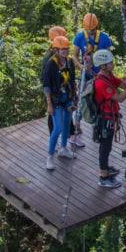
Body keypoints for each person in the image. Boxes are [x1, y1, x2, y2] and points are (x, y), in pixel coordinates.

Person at [70, 13, 113, 147]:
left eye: (93, 29)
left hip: (99, 75)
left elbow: (109, 57)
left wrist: (108, 74)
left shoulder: (104, 38)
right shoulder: (80, 37)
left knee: (100, 102)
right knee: (83, 102)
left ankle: (98, 128)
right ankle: (75, 131)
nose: (91, 32)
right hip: (86, 74)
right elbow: (75, 55)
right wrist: (81, 66)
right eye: (89, 30)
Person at [92, 49, 126, 188]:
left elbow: (123, 84)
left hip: (111, 116)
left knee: (107, 146)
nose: (112, 64)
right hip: (105, 119)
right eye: (110, 63)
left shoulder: (108, 76)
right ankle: (103, 177)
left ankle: (106, 169)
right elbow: (120, 98)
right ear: (102, 65)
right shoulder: (101, 83)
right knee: (105, 147)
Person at [41, 35, 77, 170]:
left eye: (67, 49)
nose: (65, 52)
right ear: (56, 50)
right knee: (58, 128)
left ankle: (63, 148)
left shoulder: (69, 62)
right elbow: (46, 85)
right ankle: (49, 157)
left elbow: (72, 81)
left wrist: (74, 98)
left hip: (67, 97)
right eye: (62, 50)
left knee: (67, 123)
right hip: (56, 99)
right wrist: (49, 104)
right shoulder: (51, 64)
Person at [42, 26, 83, 140]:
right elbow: (46, 79)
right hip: (53, 90)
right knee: (53, 114)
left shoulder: (61, 55)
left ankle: (69, 133)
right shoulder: (50, 58)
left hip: (64, 90)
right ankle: (54, 137)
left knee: (67, 111)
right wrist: (49, 99)